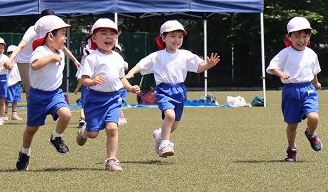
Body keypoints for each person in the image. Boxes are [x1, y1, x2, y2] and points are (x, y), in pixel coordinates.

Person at [126, 20, 220, 158]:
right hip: (163, 90)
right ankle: (165, 143)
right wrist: (131, 72)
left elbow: (199, 67)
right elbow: (142, 64)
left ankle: (160, 135)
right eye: (173, 36)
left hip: (180, 90)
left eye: (180, 37)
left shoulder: (186, 55)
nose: (177, 40)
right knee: (170, 115)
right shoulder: (157, 56)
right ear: (163, 38)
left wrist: (208, 65)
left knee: (173, 125)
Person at [75, 18, 140, 172]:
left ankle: (111, 160)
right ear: (94, 38)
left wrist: (130, 88)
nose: (108, 37)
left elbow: (121, 77)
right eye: (103, 33)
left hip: (113, 99)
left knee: (112, 128)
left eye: (112, 34)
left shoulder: (118, 58)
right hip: (94, 99)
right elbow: (83, 79)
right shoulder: (92, 57)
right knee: (93, 133)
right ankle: (84, 132)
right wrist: (92, 82)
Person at [15, 15, 72, 171]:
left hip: (55, 94)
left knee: (66, 115)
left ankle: (56, 137)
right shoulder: (41, 50)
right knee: (32, 129)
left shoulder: (59, 51)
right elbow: (34, 65)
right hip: (37, 96)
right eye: (62, 34)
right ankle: (24, 153)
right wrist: (51, 57)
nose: (65, 38)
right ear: (50, 36)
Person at [266, 16, 323, 162]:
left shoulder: (311, 54)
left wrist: (316, 83)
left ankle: (311, 134)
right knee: (292, 125)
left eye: (305, 36)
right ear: (289, 37)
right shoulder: (285, 53)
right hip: (291, 91)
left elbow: (314, 70)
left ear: (309, 37)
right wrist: (281, 73)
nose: (301, 40)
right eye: (297, 36)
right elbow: (272, 67)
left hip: (308, 89)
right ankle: (291, 149)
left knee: (314, 117)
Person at [7, 9, 80, 94]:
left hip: (41, 59)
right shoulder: (33, 30)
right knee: (30, 90)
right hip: (24, 62)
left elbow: (63, 47)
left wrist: (74, 60)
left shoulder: (52, 33)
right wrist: (10, 60)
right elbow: (21, 46)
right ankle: (33, 106)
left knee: (41, 87)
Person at [73, 33, 93, 128]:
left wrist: (77, 88)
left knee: (84, 104)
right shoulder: (89, 59)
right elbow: (83, 78)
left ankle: (83, 119)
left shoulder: (86, 59)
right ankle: (84, 119)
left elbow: (82, 78)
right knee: (87, 104)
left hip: (89, 86)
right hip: (92, 86)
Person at [4, 45, 23, 121]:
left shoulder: (18, 63)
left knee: (15, 100)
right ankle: (4, 114)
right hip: (8, 84)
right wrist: (11, 62)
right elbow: (8, 70)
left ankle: (14, 114)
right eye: (11, 53)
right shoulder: (7, 62)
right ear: (8, 54)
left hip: (16, 83)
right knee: (7, 101)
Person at [113, 43, 129, 125]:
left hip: (120, 86)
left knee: (118, 102)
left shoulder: (119, 59)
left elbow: (126, 66)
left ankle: (121, 117)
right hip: (112, 86)